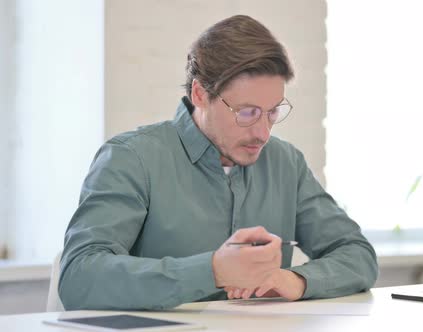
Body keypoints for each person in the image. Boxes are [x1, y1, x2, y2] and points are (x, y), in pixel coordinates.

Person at [59, 15, 378, 310]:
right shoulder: (132, 158)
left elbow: (358, 256)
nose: (263, 132)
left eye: (273, 112)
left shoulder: (286, 163)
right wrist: (212, 271)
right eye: (247, 112)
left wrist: (296, 280)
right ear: (199, 94)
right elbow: (78, 277)